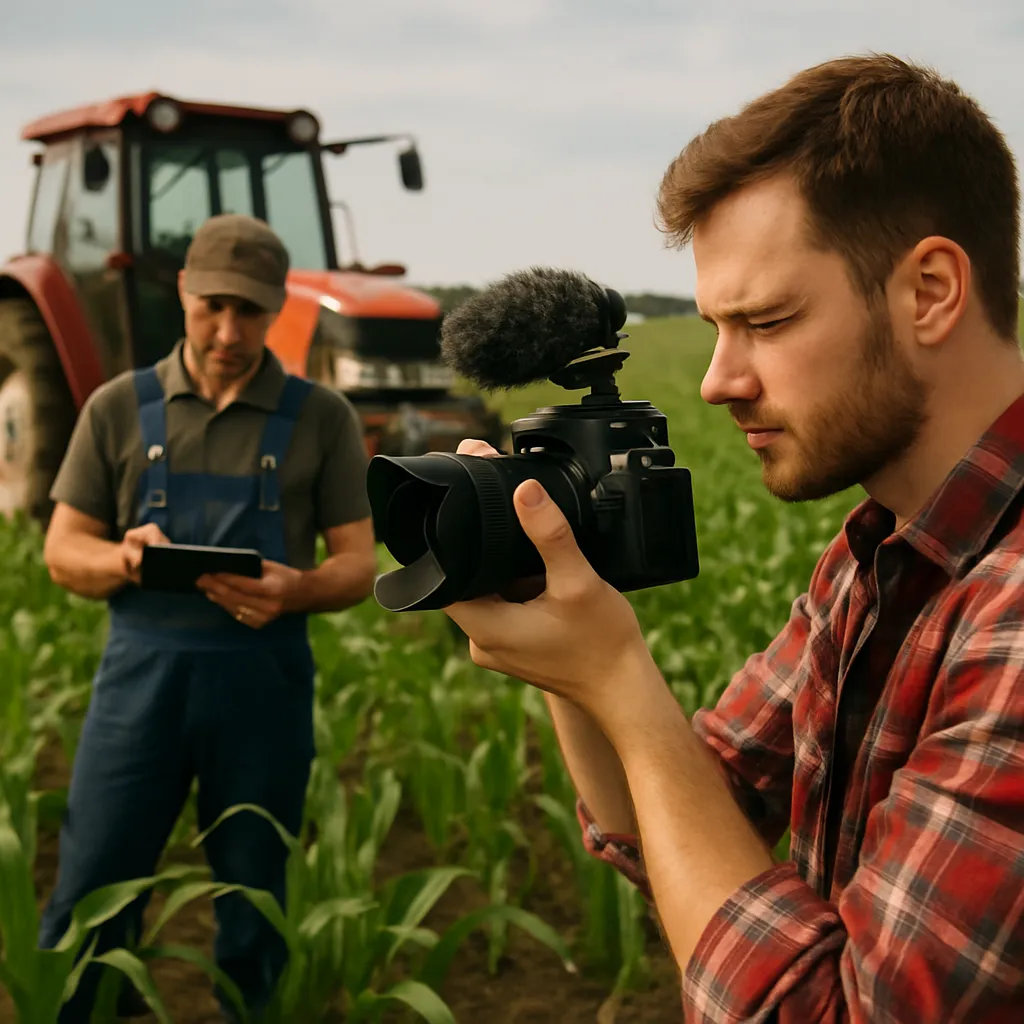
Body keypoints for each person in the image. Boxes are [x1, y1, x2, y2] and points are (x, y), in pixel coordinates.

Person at [445, 54, 1024, 1022]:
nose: (717, 380)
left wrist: (621, 682)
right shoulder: (878, 555)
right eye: (716, 326)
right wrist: (561, 641)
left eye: (765, 319)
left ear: (928, 290)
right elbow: (681, 804)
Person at [38, 213, 378, 1021]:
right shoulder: (119, 408)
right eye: (212, 307)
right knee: (95, 884)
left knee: (253, 891)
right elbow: (61, 552)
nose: (229, 331)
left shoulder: (320, 416)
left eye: (251, 312)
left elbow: (360, 566)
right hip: (140, 684)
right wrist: (126, 557)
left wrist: (294, 590)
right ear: (184, 294)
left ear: (276, 309)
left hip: (263, 685)